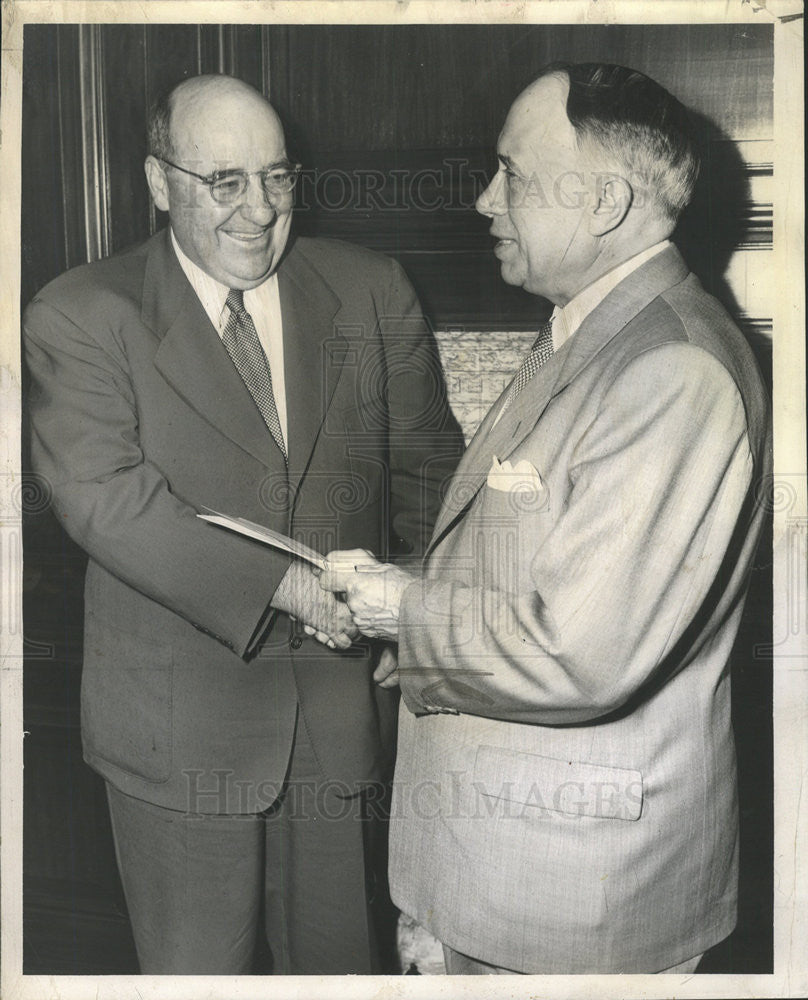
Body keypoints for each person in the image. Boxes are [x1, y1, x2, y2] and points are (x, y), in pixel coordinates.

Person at [320, 63, 771, 974]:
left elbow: (581, 652)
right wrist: (408, 625)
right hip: (507, 886)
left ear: (604, 202)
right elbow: (528, 563)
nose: (487, 200)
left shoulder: (669, 372)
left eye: (513, 176)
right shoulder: (592, 331)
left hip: (570, 909)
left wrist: (402, 611)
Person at [23, 73, 464, 975]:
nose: (257, 210)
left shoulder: (373, 292)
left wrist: (421, 605)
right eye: (224, 182)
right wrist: (290, 585)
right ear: (158, 183)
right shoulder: (79, 313)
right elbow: (107, 499)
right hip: (177, 738)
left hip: (344, 721)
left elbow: (431, 476)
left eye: (277, 178)